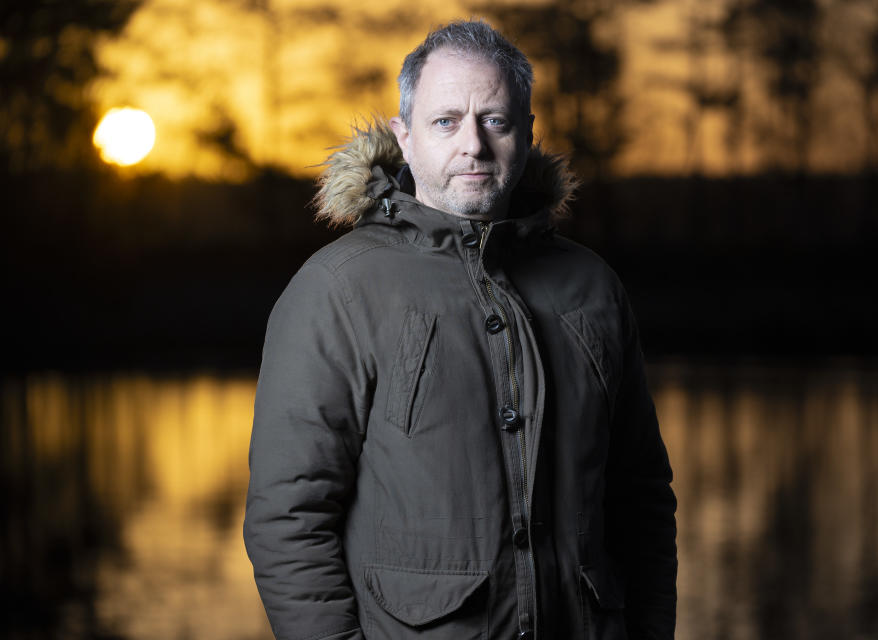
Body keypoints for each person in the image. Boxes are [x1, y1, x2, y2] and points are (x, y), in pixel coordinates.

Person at [243, 19, 677, 640]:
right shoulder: (336, 289)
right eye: (446, 121)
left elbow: (643, 501)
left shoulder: (593, 287)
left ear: (526, 136)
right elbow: (289, 520)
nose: (473, 144)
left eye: (495, 120)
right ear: (405, 137)